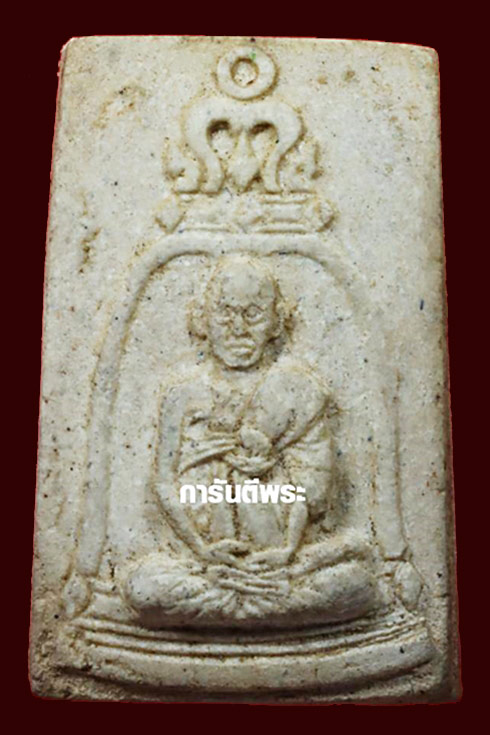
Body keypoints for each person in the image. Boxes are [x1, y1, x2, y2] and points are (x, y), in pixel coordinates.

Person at [124, 255, 377, 627]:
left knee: (357, 584)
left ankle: (239, 605)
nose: (238, 329)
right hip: (208, 564)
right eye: (225, 314)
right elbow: (164, 483)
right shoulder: (183, 395)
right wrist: (203, 551)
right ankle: (266, 606)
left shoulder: (297, 391)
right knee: (143, 589)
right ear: (202, 320)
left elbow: (309, 484)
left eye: (253, 314)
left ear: (276, 322)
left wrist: (288, 552)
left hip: (280, 563)